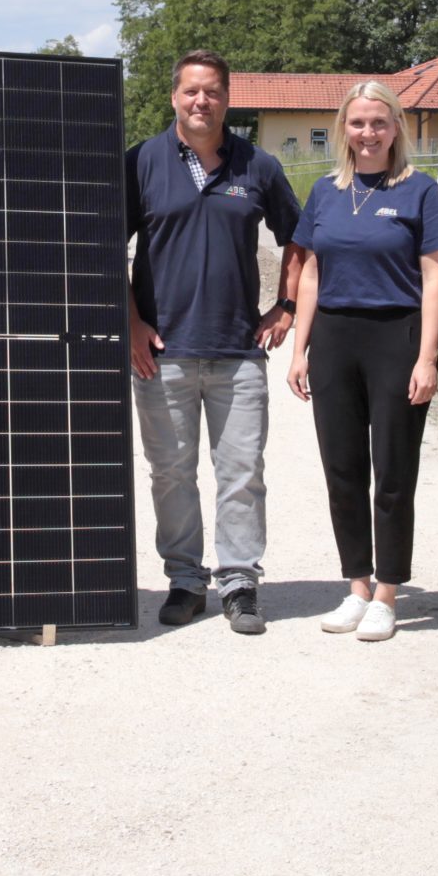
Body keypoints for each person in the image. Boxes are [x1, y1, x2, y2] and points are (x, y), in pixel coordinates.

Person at [125, 50, 305, 634]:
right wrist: (131, 322)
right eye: (191, 91)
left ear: (228, 98)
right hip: (162, 354)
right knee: (171, 475)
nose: (201, 101)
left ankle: (239, 583)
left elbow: (300, 238)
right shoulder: (140, 162)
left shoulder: (258, 166)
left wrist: (286, 306)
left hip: (238, 352)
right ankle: (184, 581)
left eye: (213, 91)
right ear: (174, 96)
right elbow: (100, 246)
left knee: (242, 474)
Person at [284, 81, 438, 643]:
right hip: (334, 340)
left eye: (379, 122)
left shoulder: (419, 190)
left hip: (396, 337)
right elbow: (310, 273)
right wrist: (300, 349)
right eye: (358, 122)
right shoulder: (325, 192)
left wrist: (427, 358)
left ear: (395, 127)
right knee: (343, 469)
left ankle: (387, 592)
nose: (368, 132)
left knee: (393, 472)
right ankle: (357, 585)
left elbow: (435, 277)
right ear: (344, 129)